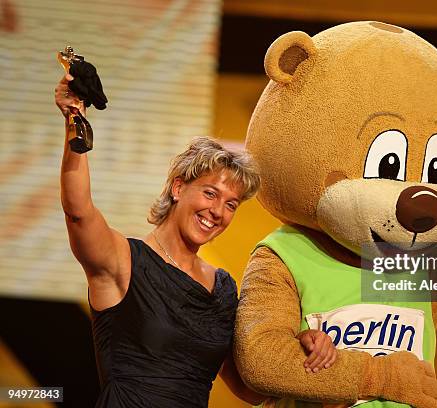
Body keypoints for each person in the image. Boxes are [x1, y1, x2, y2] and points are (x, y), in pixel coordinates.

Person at [55, 73, 337, 408]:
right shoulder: (123, 260)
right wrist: (76, 120)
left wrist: (302, 347)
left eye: (231, 204)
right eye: (210, 193)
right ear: (177, 188)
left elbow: (249, 389)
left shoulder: (222, 288)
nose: (217, 211)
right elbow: (78, 211)